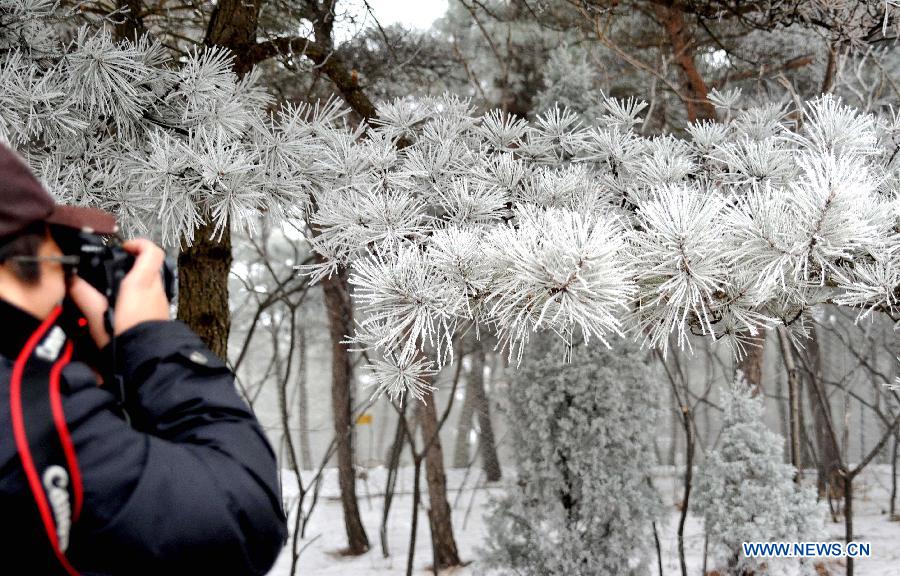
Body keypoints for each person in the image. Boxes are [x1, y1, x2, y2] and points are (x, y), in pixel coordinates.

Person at [0, 143, 287, 575]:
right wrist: (150, 342)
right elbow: (243, 516)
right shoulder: (24, 414)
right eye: (59, 247)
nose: (70, 275)